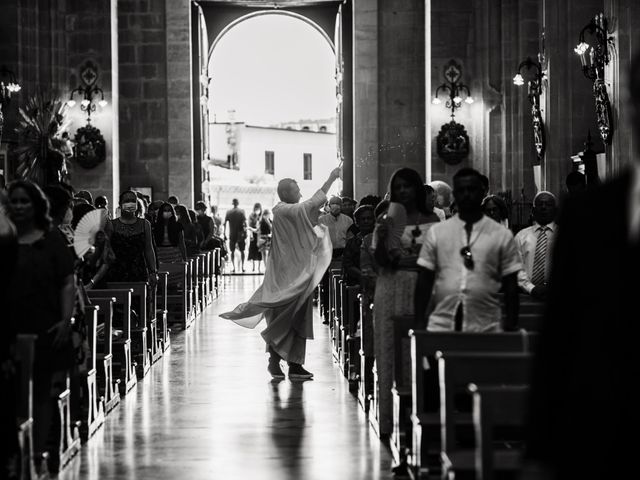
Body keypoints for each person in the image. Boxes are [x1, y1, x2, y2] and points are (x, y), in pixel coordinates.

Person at [522, 52, 640, 480]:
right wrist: (539, 454)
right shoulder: (590, 213)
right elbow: (560, 340)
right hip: (608, 434)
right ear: (629, 107)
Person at [220, 167, 342, 380]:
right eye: (296, 190)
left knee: (299, 319)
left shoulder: (293, 211)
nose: (300, 194)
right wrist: (331, 177)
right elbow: (312, 203)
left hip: (300, 273)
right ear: (286, 194)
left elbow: (312, 211)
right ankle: (274, 362)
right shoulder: (283, 210)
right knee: (279, 319)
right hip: (283, 275)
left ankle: (295, 365)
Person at [6, 180, 76, 474]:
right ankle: (13, 451)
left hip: (45, 322)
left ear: (36, 206)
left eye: (25, 201)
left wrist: (65, 320)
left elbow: (67, 283)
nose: (20, 206)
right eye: (15, 201)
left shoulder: (52, 240)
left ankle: (37, 452)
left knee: (42, 388)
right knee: (10, 390)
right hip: (9, 322)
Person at [370, 168, 440, 437]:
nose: (401, 191)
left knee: (419, 350)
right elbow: (381, 263)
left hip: (423, 288)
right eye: (397, 187)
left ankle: (421, 420)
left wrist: (411, 260)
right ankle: (391, 421)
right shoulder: (386, 220)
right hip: (391, 287)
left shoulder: (433, 220)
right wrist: (383, 236)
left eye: (407, 186)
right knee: (389, 348)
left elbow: (436, 260)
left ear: (416, 189)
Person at [415, 168, 522, 333]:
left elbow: (510, 284)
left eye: (471, 190)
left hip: (486, 324)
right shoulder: (437, 232)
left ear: (481, 193)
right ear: (455, 195)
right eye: (461, 190)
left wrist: (511, 323)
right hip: (443, 324)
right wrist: (420, 321)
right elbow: (424, 280)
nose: (467, 195)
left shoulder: (502, 235)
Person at [106, 190, 157, 286]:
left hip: (138, 270)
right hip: (117, 270)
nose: (130, 203)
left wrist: (153, 271)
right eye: (127, 200)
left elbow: (149, 249)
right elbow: (107, 248)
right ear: (120, 204)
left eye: (133, 200)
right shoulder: (112, 225)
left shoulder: (145, 224)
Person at [514, 191, 557, 300]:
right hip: (526, 296)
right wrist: (531, 288)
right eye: (540, 204)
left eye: (548, 204)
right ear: (533, 210)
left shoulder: (565, 236)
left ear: (556, 210)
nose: (543, 207)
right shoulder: (521, 236)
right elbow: (516, 268)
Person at [342, 205, 375, 285]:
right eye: (363, 219)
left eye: (369, 218)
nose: (366, 221)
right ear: (357, 222)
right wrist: (362, 275)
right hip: (356, 283)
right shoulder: (352, 243)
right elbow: (348, 264)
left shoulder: (380, 240)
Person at [224, 198, 247, 273]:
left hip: (232, 234)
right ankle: (242, 267)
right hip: (240, 234)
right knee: (242, 251)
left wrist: (224, 234)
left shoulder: (229, 212)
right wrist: (245, 233)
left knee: (232, 251)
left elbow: (225, 224)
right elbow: (245, 224)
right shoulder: (241, 212)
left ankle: (234, 267)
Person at [247, 202, 263, 272]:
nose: (257, 210)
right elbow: (250, 226)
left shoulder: (262, 216)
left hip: (260, 235)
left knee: (259, 251)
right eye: (256, 208)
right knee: (253, 250)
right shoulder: (251, 216)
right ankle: (253, 267)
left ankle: (259, 267)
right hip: (253, 234)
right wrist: (251, 235)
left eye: (258, 208)